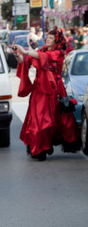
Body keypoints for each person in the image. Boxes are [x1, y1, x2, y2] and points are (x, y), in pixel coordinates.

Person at [13, 26, 80, 161]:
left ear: (56, 41)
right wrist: (17, 54)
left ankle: (46, 145)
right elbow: (25, 62)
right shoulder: (41, 51)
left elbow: (42, 57)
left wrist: (25, 51)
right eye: (47, 37)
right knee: (38, 120)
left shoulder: (58, 53)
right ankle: (40, 148)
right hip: (39, 90)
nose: (47, 39)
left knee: (56, 119)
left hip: (54, 89)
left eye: (51, 38)